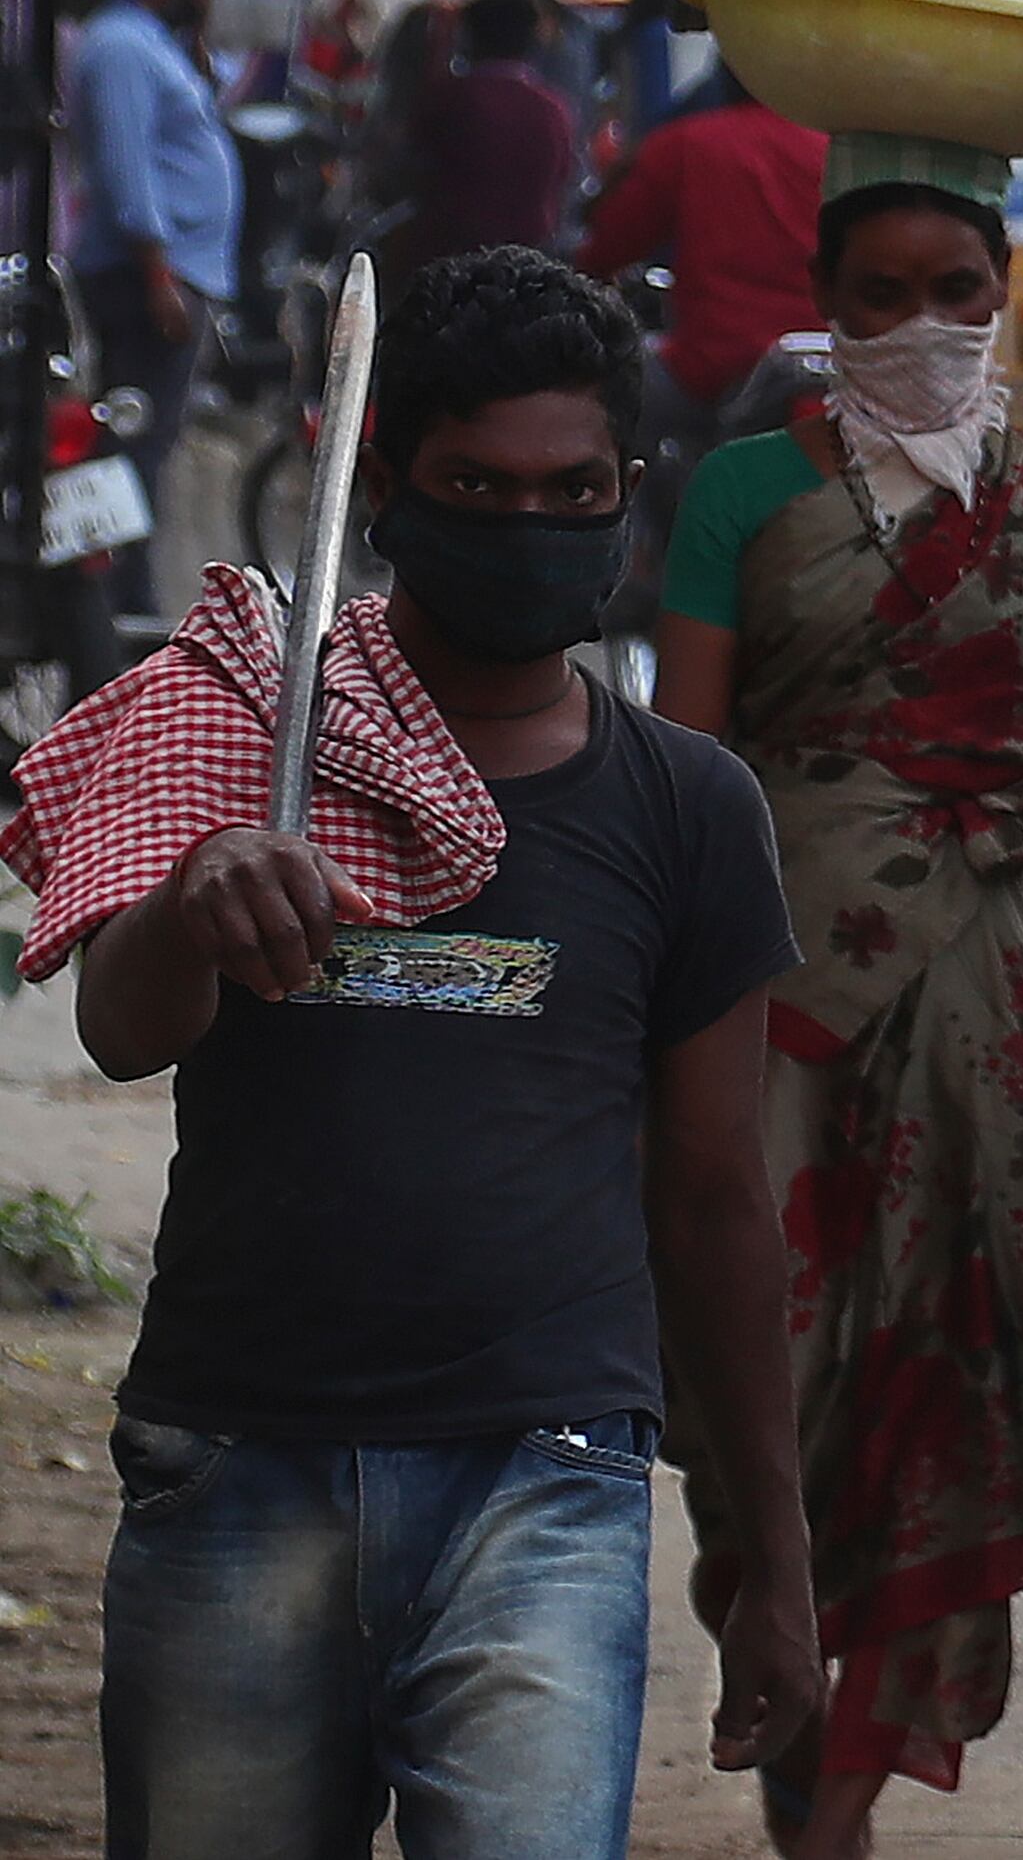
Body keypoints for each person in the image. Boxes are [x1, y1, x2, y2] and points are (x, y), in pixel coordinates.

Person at [2, 245, 821, 1857]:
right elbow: (120, 1028)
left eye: (571, 487)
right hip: (236, 1459)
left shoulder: (689, 808)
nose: (530, 524)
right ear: (384, 487)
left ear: (625, 490)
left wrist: (771, 1565)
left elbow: (720, 1199)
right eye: (477, 486)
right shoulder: (245, 733)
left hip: (552, 1475)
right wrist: (194, 895)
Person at [651, 133, 1023, 1860]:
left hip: (1013, 1025)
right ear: (823, 310)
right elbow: (677, 772)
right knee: (774, 1394)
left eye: (957, 293)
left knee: (959, 1390)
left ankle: (841, 1801)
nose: (925, 325)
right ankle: (797, 1706)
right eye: (880, 296)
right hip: (788, 1009)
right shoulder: (745, 494)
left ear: (1001, 299)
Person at [67, 0, 240, 619]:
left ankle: (125, 591)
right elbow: (126, 167)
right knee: (133, 445)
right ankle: (114, 604)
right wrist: (158, 275)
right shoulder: (117, 47)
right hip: (147, 277)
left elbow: (206, 96)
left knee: (151, 443)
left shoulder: (153, 43)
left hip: (178, 268)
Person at [573, 62, 830, 523]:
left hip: (708, 368)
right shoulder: (831, 152)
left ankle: (631, 543)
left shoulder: (688, 142)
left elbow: (611, 243)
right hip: (823, 365)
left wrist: (587, 269)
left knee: (602, 401)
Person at [407, 0, 581, 273]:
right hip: (532, 265)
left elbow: (412, 161)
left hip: (451, 262)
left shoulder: (449, 99)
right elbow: (565, 182)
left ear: (469, 40)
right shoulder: (553, 109)